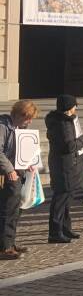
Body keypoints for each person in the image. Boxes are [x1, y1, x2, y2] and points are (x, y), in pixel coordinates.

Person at [45, 94, 83, 243]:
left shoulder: (64, 121)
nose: (76, 108)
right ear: (69, 107)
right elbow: (69, 146)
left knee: (66, 198)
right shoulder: (62, 124)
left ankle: (65, 228)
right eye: (74, 105)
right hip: (64, 166)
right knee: (60, 199)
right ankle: (55, 232)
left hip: (67, 164)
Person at [0, 100, 38, 259]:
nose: (29, 122)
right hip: (5, 174)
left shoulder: (21, 127)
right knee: (7, 210)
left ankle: (10, 242)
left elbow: (23, 150)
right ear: (19, 114)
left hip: (18, 172)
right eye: (28, 118)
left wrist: (29, 163)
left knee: (15, 210)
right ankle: (4, 248)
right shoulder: (2, 126)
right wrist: (9, 170)